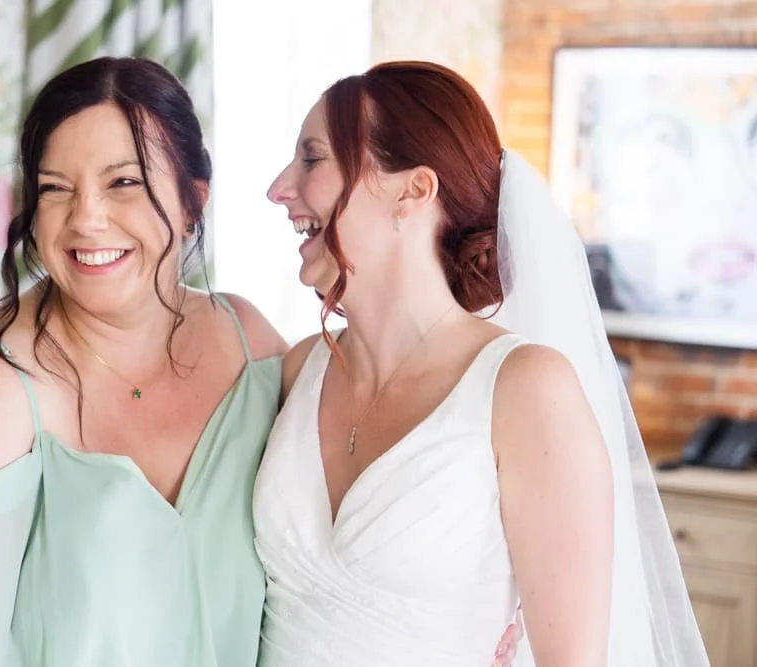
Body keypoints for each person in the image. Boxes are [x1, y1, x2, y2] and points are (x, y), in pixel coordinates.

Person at [0, 57, 523, 666]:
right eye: (55, 190)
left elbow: (392, 483)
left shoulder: (255, 349)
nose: (86, 220)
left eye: (124, 182)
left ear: (194, 199)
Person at [255, 61, 709, 666]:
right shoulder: (298, 370)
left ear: (412, 192)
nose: (279, 188)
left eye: (312, 159)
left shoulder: (526, 391)